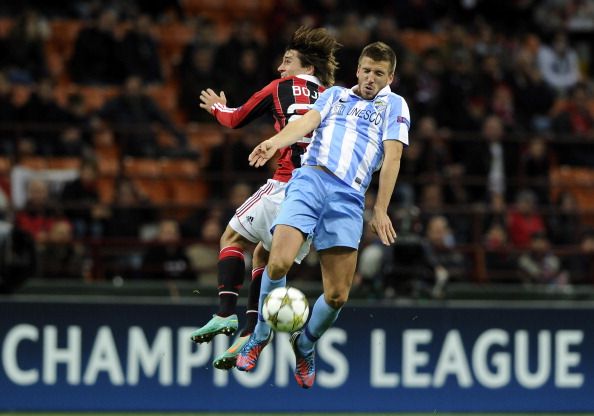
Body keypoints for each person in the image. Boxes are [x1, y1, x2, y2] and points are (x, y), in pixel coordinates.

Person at [237, 42, 410, 389]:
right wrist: (275, 142)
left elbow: (393, 158)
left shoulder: (394, 106)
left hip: (348, 197)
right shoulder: (334, 96)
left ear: (390, 77)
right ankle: (260, 334)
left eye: (378, 73)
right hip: (310, 180)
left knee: (337, 295)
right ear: (357, 70)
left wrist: (380, 209)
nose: (370, 78)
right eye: (365, 70)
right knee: (279, 262)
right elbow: (304, 124)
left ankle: (305, 344)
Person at [189, 26, 341, 370]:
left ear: (308, 68)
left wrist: (216, 108)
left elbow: (236, 119)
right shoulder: (336, 98)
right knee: (265, 255)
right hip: (319, 198)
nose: (280, 68)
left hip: (288, 183)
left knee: (231, 237)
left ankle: (226, 313)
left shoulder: (281, 88)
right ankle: (249, 332)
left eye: (287, 61)